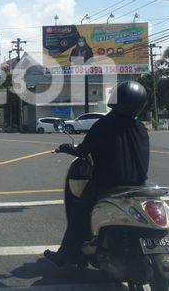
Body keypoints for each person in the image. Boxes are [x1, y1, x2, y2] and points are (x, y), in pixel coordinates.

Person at [45, 81, 150, 266]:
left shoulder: (105, 124)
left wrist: (66, 148)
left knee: (80, 214)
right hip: (139, 186)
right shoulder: (140, 128)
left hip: (107, 184)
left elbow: (84, 150)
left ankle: (67, 254)